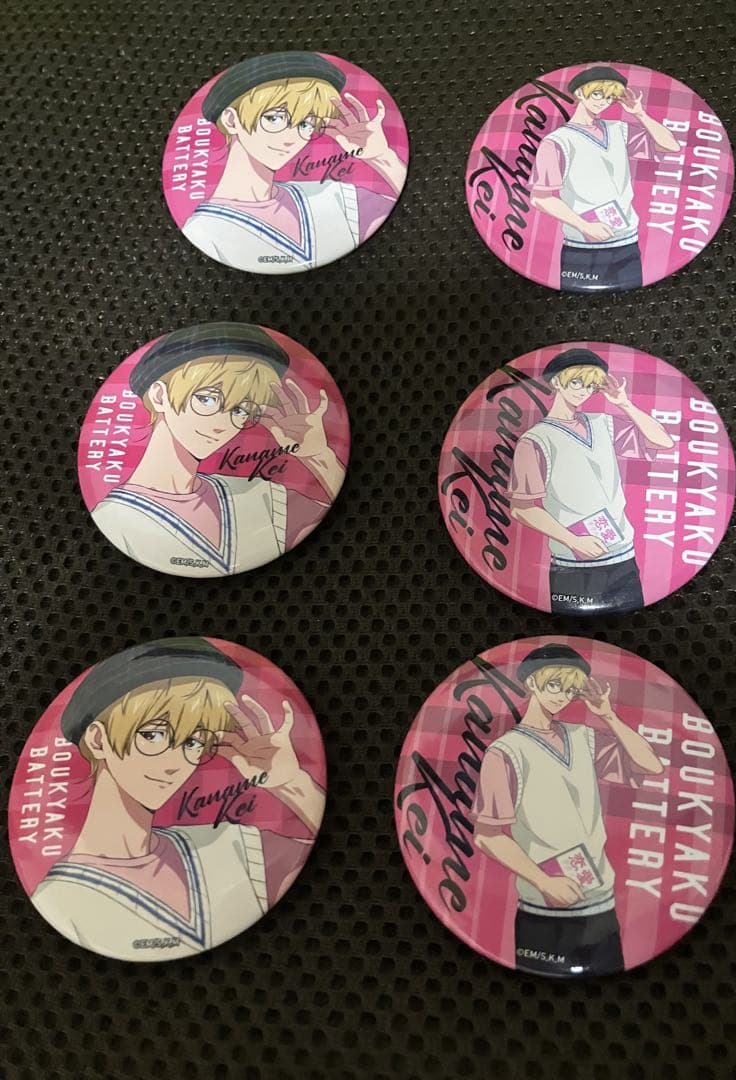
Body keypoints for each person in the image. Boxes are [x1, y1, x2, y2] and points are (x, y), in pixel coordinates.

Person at [32, 638, 325, 960]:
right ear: (99, 739)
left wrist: (288, 781)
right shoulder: (63, 899)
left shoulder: (227, 844)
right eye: (153, 735)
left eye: (194, 742)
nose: (176, 763)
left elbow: (319, 848)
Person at [91, 322, 346, 576]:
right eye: (207, 399)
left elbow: (334, 512)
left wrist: (316, 453)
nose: (222, 424)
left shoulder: (257, 495)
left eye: (240, 409)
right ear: (160, 396)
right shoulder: (116, 518)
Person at [472, 643, 664, 976]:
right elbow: (487, 835)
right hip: (543, 909)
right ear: (531, 683)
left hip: (600, 903)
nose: (562, 696)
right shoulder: (505, 752)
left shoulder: (583, 737)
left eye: (570, 690)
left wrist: (607, 715)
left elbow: (651, 766)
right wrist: (544, 881)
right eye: (554, 685)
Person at [181, 52, 407, 272]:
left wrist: (380, 156)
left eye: (306, 124)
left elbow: (401, 207)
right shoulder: (205, 231)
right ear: (232, 120)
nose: (292, 138)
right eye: (275, 118)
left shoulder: (330, 196)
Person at [508, 347, 675, 614]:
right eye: (576, 382)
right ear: (556, 382)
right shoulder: (535, 441)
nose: (583, 391)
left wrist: (624, 403)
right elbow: (521, 508)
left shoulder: (603, 423)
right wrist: (573, 541)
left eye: (590, 386)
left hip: (622, 555)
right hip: (572, 564)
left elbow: (663, 442)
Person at [530, 64, 681, 291]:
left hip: (627, 241)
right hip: (583, 246)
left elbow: (671, 146)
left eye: (610, 97)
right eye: (598, 94)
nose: (603, 102)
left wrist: (639, 113)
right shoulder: (557, 142)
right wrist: (583, 225)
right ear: (580, 93)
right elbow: (540, 198)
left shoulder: (619, 129)